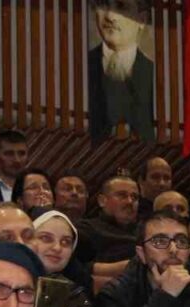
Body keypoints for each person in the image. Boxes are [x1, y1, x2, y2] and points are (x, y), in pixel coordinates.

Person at [88, 0, 155, 141]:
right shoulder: (84, 65)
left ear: (142, 19)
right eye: (103, 5)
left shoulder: (151, 72)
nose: (110, 16)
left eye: (121, 6)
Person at [76, 174, 141, 266]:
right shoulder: (86, 229)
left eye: (134, 197)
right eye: (122, 195)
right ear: (102, 201)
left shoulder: (146, 231)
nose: (130, 201)